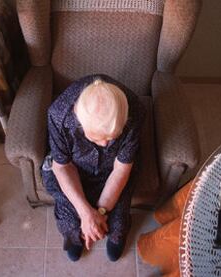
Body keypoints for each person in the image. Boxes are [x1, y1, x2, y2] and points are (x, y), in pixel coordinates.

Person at [41, 74, 145, 262]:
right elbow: (63, 166)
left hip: (112, 169)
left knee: (118, 224)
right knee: (70, 220)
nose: (106, 145)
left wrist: (101, 213)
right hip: (72, 166)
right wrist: (86, 214)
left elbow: (121, 170)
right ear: (81, 123)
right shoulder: (59, 115)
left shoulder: (135, 111)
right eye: (98, 138)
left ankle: (109, 229)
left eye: (112, 137)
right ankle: (74, 234)